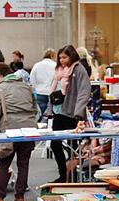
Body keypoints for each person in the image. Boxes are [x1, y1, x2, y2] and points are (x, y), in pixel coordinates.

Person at [0, 63, 38, 201]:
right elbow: (35, 108)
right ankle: (20, 196)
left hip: (9, 127)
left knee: (4, 162)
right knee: (24, 162)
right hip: (29, 127)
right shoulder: (27, 87)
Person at [46, 45, 91, 183]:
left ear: (72, 56)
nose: (62, 60)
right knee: (55, 144)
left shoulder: (78, 69)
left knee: (73, 147)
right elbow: (53, 91)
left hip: (71, 114)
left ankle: (71, 176)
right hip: (58, 112)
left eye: (64, 57)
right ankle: (63, 175)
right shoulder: (59, 70)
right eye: (60, 57)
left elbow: (84, 91)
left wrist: (78, 112)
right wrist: (49, 110)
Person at [30, 48, 56, 117]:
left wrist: (36, 88)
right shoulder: (55, 65)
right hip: (52, 93)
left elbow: (32, 79)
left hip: (39, 92)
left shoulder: (37, 65)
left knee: (41, 115)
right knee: (51, 115)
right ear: (52, 56)